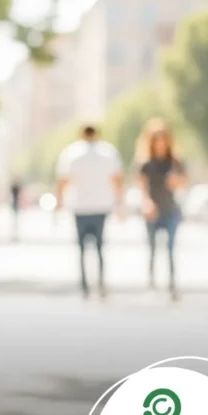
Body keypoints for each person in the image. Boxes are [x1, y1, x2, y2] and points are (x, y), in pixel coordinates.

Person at [55, 124, 124, 299]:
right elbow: (116, 180)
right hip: (102, 206)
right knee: (100, 248)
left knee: (82, 249)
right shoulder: (108, 152)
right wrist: (119, 202)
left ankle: (85, 287)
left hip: (80, 207)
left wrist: (59, 202)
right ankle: (100, 283)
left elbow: (63, 180)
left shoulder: (71, 152)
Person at [136, 117, 187, 301]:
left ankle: (172, 285)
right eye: (157, 138)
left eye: (163, 138)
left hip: (171, 210)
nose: (160, 142)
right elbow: (142, 187)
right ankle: (151, 284)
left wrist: (177, 182)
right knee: (151, 249)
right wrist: (146, 203)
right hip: (152, 211)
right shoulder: (145, 163)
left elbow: (184, 183)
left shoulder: (175, 161)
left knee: (171, 249)